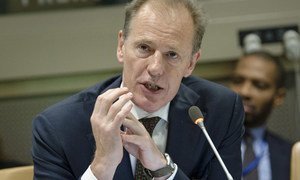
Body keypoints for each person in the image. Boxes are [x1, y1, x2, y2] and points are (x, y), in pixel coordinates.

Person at [32, 0, 245, 179]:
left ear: (191, 63)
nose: (155, 68)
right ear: (121, 46)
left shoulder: (220, 111)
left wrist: (163, 170)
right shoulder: (59, 128)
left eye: (172, 54)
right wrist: (102, 166)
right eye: (144, 48)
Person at [230, 50, 292, 180]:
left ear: (278, 97)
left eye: (259, 85)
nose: (244, 91)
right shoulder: (204, 146)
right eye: (238, 81)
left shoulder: (291, 155)